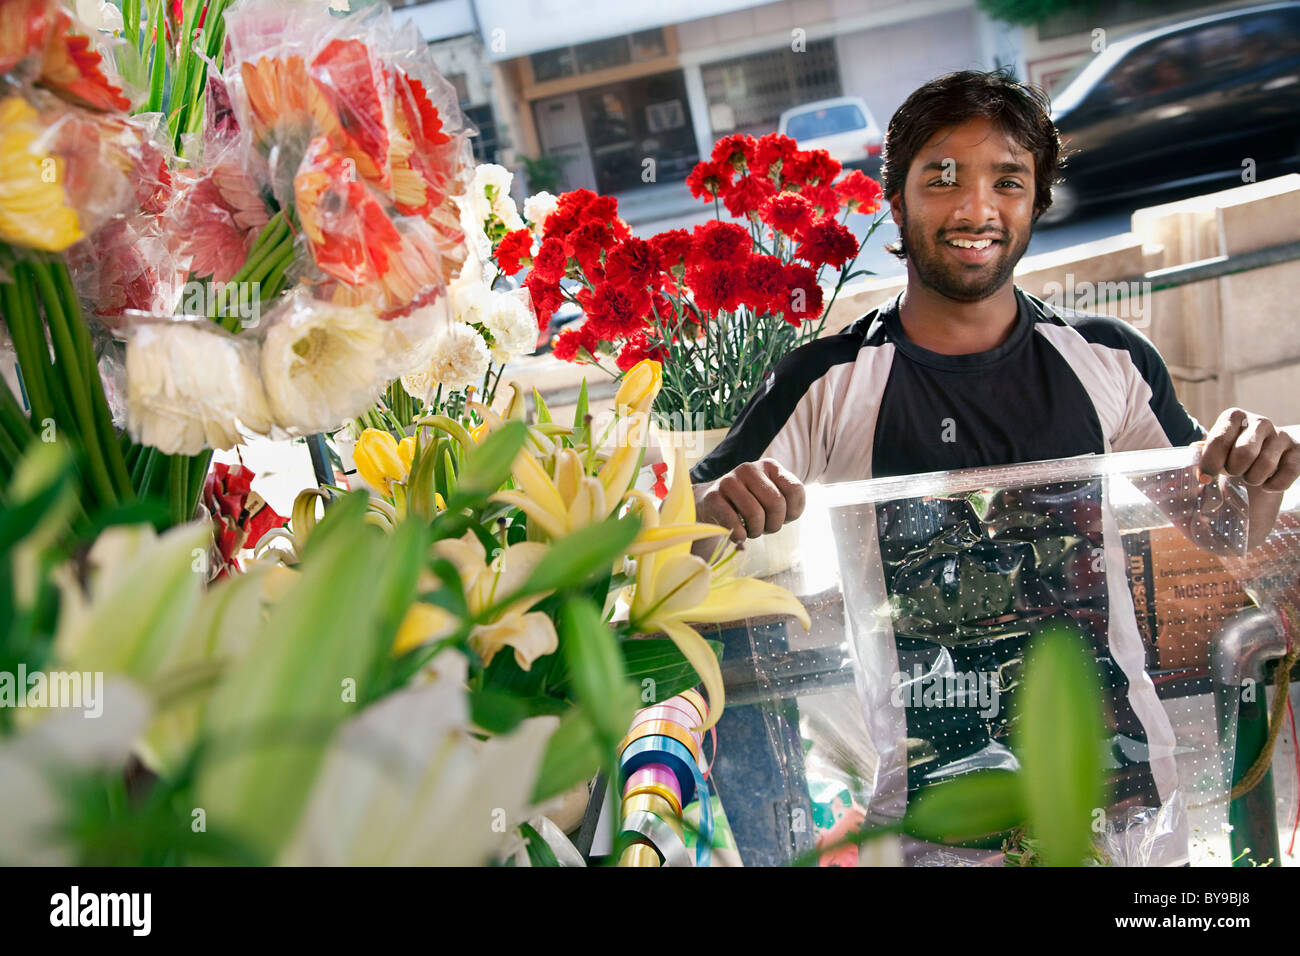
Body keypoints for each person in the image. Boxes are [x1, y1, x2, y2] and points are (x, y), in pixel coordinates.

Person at [690, 68, 1299, 551]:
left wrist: (1259, 475)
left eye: (1008, 183)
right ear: (896, 205)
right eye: (943, 180)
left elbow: (1227, 532)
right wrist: (712, 509)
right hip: (899, 712)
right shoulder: (822, 380)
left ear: (1036, 204)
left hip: (1106, 711)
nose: (975, 212)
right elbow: (681, 531)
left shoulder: (1114, 358)